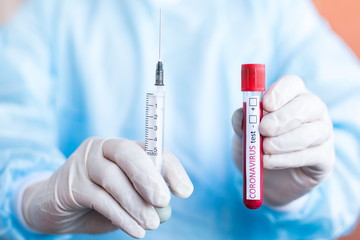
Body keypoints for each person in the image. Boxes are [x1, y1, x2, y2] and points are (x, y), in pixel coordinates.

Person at [0, 0, 359, 239]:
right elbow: (9, 128)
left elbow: (351, 135)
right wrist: (29, 198)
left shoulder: (276, 12)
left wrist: (293, 191)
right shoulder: (53, 12)